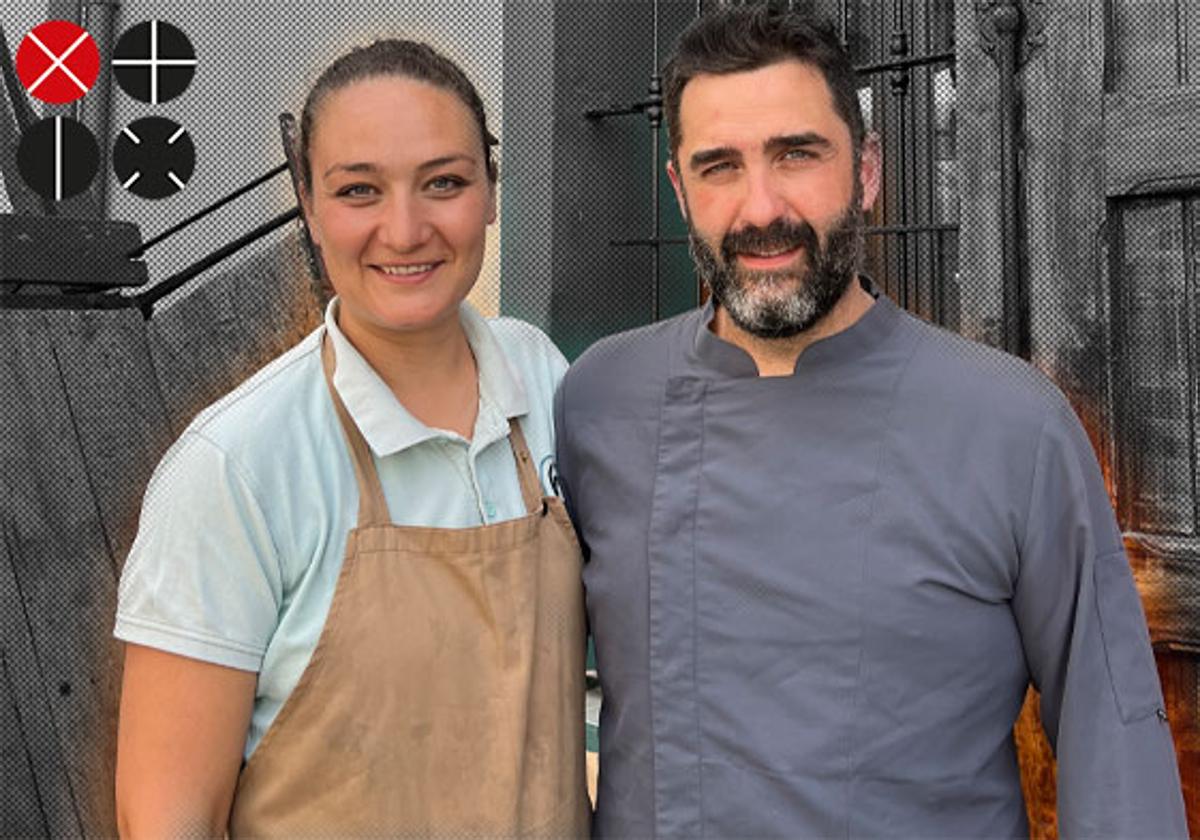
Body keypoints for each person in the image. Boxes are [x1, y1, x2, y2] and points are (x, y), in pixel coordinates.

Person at [553, 6, 1187, 837]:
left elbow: (1117, 746)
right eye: (719, 167)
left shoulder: (1011, 425)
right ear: (678, 189)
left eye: (797, 154)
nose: (761, 207)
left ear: (867, 170)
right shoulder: (600, 398)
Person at [114, 39, 589, 838]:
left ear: (492, 192)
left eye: (444, 183)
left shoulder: (543, 381)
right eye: (359, 190)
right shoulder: (235, 468)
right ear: (308, 204)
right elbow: (165, 818)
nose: (404, 231)